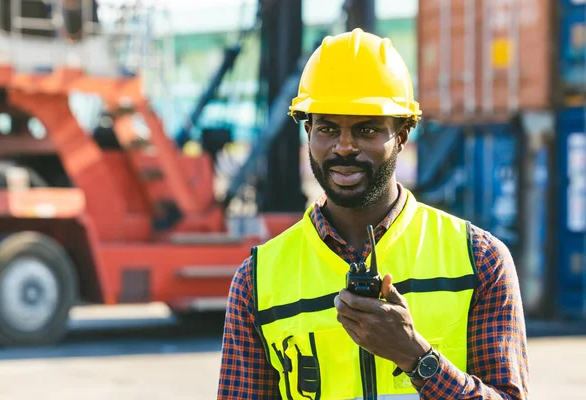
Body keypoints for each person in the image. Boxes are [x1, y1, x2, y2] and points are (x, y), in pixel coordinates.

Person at [218, 28, 529, 399]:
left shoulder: (478, 260)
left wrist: (417, 357)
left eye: (366, 129)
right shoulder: (258, 281)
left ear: (402, 133)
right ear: (308, 134)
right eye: (327, 128)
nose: (344, 147)